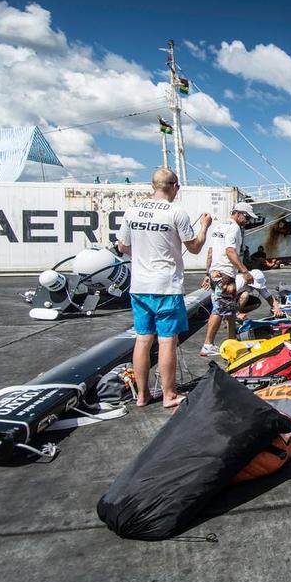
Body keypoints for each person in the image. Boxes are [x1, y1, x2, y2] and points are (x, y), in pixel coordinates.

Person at [116, 167, 210, 408]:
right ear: (175, 186)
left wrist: (144, 252)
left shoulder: (132, 211)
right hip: (166, 285)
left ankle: (142, 394)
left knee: (143, 340)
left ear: (153, 186)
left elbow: (122, 247)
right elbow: (195, 247)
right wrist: (204, 228)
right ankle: (169, 394)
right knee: (167, 340)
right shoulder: (177, 212)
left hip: (139, 285)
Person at [199, 202, 257, 357]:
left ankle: (232, 339)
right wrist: (245, 271)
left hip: (215, 272)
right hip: (225, 274)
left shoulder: (218, 227)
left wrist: (207, 273)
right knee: (219, 309)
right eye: (247, 217)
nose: (248, 221)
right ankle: (208, 344)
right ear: (238, 213)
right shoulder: (234, 228)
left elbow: (211, 251)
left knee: (229, 309)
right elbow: (230, 250)